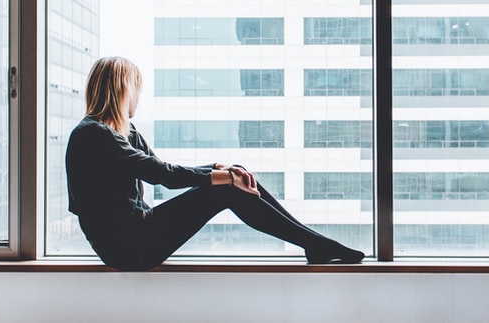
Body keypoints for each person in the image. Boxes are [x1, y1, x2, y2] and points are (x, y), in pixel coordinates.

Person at [65, 56, 364, 271]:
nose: (139, 98)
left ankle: (312, 242)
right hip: (128, 247)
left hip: (138, 234)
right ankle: (313, 243)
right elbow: (161, 175)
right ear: (123, 91)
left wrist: (221, 168)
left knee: (234, 175)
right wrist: (222, 177)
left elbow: (159, 167)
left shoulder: (125, 132)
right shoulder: (93, 135)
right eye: (137, 90)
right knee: (228, 187)